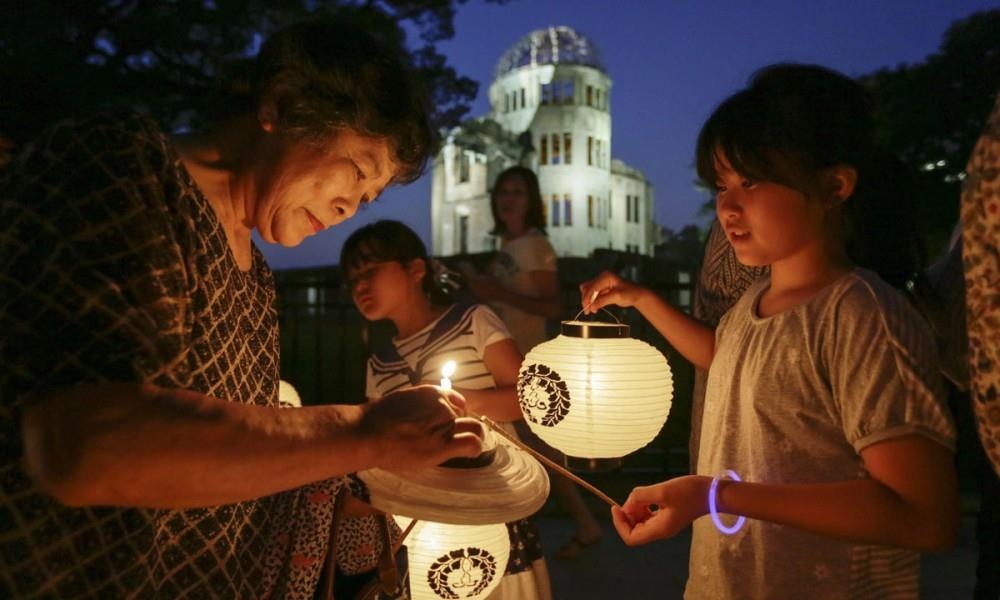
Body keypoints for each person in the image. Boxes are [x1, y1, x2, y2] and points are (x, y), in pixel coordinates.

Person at [0, 15, 484, 599]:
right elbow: (81, 448)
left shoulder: (254, 280)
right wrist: (362, 431)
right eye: (355, 172)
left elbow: (233, 475)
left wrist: (365, 482)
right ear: (280, 105)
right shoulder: (125, 169)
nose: (347, 209)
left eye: (366, 199)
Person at [581, 64, 959, 599]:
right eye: (721, 185)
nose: (727, 207)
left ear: (833, 186)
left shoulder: (864, 317)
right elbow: (727, 358)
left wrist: (715, 496)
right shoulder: (749, 309)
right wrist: (642, 299)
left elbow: (924, 518)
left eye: (751, 181)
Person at [341, 219, 552, 600]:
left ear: (416, 269)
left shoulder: (472, 321)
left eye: (370, 271)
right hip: (425, 517)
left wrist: (454, 403)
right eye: (352, 278)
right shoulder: (380, 363)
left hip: (491, 501)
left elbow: (527, 398)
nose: (359, 286)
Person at [460, 165, 604, 559]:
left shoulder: (535, 245)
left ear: (532, 201)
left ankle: (529, 530)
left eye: (518, 192)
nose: (508, 198)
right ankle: (581, 524)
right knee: (537, 448)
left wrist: (496, 289)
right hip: (504, 357)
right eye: (503, 191)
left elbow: (550, 305)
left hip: (524, 356)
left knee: (534, 449)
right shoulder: (510, 243)